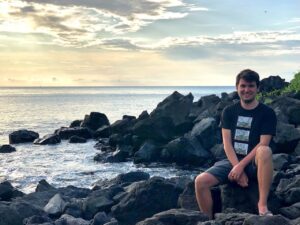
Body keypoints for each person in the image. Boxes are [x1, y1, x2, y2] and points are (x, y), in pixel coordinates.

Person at [195, 69, 277, 219]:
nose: (247, 90)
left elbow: (263, 143)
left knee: (265, 150)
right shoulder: (229, 112)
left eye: (251, 86)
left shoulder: (267, 113)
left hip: (255, 163)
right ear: (237, 87)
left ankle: (262, 205)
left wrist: (241, 167)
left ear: (257, 88)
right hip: (232, 161)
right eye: (243, 86)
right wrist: (236, 167)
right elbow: (227, 144)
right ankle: (207, 220)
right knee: (200, 181)